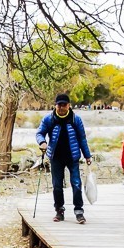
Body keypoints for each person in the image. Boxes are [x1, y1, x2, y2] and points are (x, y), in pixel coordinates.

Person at [36, 92, 92, 224]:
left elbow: (82, 139)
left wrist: (87, 155)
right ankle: (59, 211)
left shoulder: (76, 120)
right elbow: (40, 133)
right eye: (59, 105)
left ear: (69, 106)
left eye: (64, 105)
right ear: (55, 106)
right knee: (57, 186)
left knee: (76, 184)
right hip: (56, 157)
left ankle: (79, 211)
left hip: (73, 157)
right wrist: (42, 142)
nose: (61, 108)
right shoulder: (49, 119)